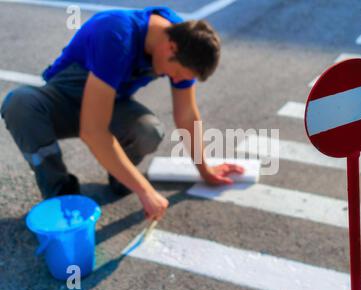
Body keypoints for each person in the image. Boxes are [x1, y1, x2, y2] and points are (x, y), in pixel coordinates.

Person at [1, 6, 244, 221]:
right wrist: (145, 190)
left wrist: (205, 170)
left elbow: (187, 114)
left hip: (107, 104)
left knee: (147, 131)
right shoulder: (116, 34)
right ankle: (61, 192)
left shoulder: (184, 41)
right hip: (62, 101)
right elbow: (93, 131)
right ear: (171, 47)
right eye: (178, 73)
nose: (177, 80)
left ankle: (121, 177)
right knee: (19, 104)